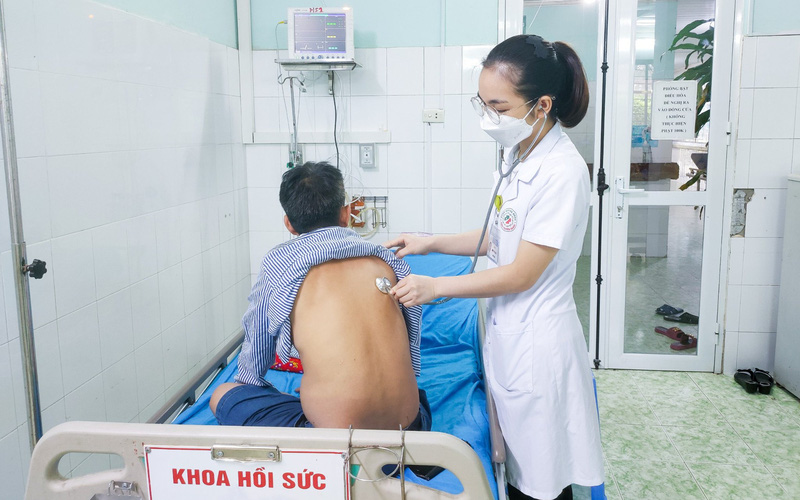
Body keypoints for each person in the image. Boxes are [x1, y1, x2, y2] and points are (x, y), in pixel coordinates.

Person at [383, 35, 603, 500]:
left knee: (542, 483)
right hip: (507, 335)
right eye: (482, 104)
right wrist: (430, 242)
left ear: (542, 105)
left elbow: (522, 272)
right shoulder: (518, 154)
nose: (488, 117)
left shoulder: (562, 172)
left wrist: (436, 287)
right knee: (520, 471)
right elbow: (498, 238)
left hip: (538, 345)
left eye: (498, 107)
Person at [210, 161, 430, 432]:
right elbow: (407, 342)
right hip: (412, 428)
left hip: (335, 442)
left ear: (289, 224)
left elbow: (255, 359)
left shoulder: (280, 265)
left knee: (222, 394)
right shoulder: (384, 260)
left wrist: (256, 389)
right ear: (346, 214)